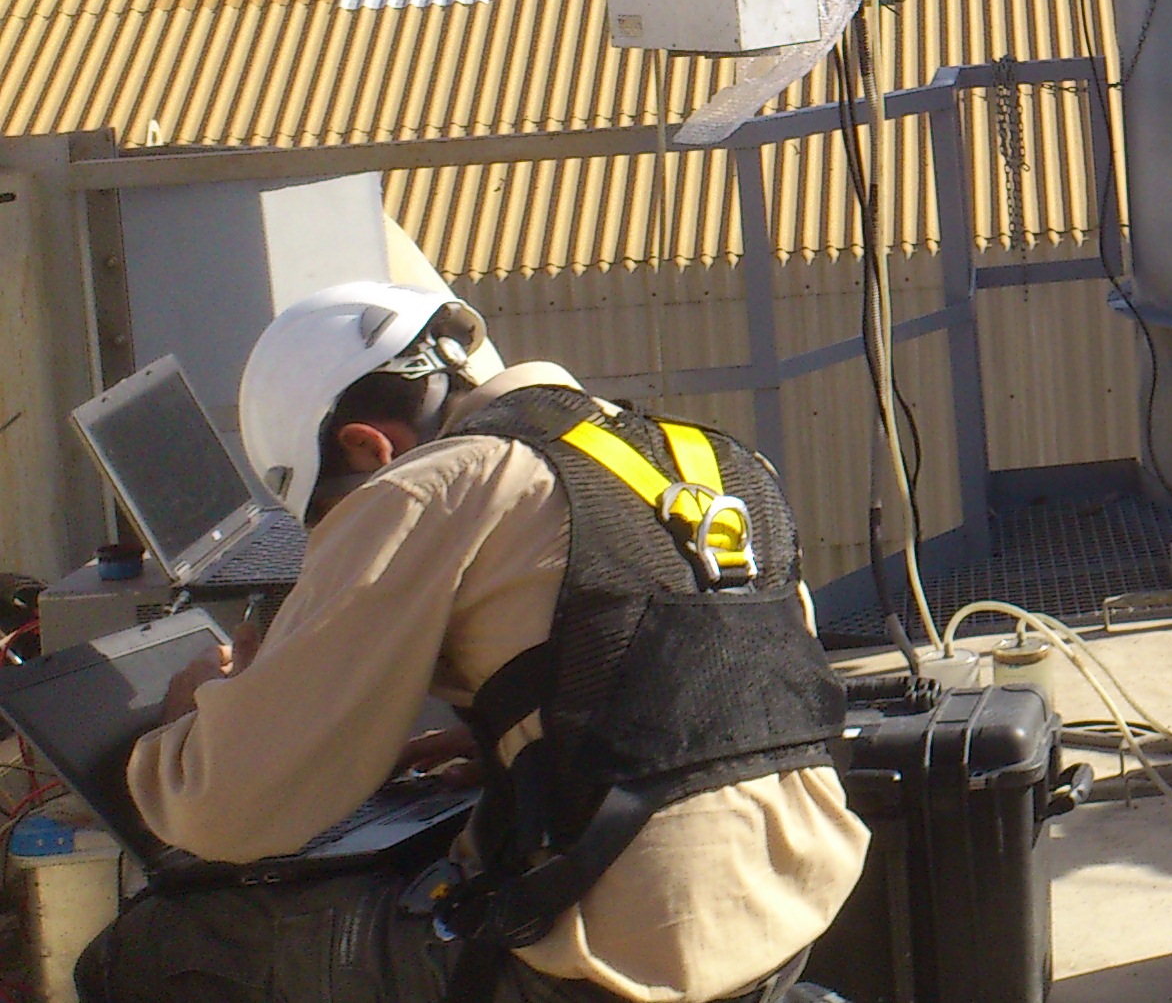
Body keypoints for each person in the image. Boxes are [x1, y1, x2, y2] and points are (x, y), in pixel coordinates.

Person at [81, 282, 865, 1003]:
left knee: (155, 944)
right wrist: (525, 739)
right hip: (784, 914)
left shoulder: (433, 483)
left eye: (327, 517)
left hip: (616, 957)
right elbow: (728, 684)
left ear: (365, 446)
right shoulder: (709, 457)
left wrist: (191, 722)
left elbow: (229, 813)